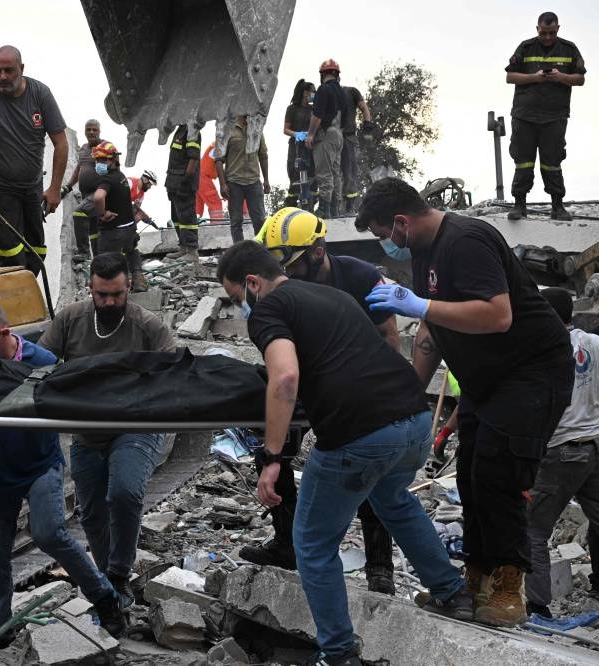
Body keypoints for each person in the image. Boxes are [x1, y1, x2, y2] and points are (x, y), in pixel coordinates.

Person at [217, 240, 469, 666]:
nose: (240, 307)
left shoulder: (269, 310)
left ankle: (337, 653)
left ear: (254, 283)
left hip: (360, 434)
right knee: (393, 499)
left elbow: (284, 379)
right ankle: (452, 591)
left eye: (237, 297)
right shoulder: (332, 294)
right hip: (414, 421)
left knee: (312, 543)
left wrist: (272, 457)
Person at [357, 177, 574, 627]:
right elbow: (430, 330)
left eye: (382, 233)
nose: (385, 244)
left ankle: (508, 587)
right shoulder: (423, 251)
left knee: (499, 474)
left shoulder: (466, 240)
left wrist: (420, 307)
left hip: (529, 374)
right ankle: (475, 582)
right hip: (485, 381)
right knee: (472, 477)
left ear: (401, 222)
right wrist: (407, 393)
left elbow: (497, 315)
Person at [240, 208, 399, 594]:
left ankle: (380, 567)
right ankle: (286, 544)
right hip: (305, 385)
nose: (285, 276)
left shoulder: (359, 277)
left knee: (368, 471)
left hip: (354, 389)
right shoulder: (274, 288)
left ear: (317, 251)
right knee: (272, 454)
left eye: (290, 265)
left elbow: (389, 338)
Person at [0, 301, 126, 643]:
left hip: (38, 464)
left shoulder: (41, 363)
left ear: (4, 333)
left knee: (48, 532)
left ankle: (105, 598)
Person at [37, 252, 175, 606]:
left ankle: (118, 572)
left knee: (124, 493)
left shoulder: (147, 326)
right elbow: (40, 366)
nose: (110, 302)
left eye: (117, 294)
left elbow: (175, 372)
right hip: (87, 431)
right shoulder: (70, 320)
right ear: (90, 289)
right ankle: (107, 583)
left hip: (135, 427)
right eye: (102, 295)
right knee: (93, 511)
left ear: (129, 287)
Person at [0, 45, 69, 275]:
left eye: (9, 71)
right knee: (11, 252)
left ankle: (26, 300)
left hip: (31, 188)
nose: (2, 77)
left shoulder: (41, 94)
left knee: (36, 250)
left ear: (22, 69)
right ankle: (12, 302)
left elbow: (61, 143)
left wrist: (55, 188)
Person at [525, 288, 599, 619]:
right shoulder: (594, 343)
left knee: (534, 531)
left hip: (560, 451)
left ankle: (538, 606)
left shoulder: (542, 348)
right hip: (594, 445)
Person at [504, 11, 586, 222]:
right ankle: (519, 205)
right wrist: (534, 77)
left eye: (551, 32)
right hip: (524, 115)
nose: (547, 37)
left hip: (554, 116)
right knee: (523, 161)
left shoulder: (569, 49)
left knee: (553, 162)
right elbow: (509, 77)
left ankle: (557, 206)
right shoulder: (526, 47)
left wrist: (561, 77)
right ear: (537, 29)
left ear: (558, 29)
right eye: (543, 33)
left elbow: (580, 79)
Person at [91, 141, 147, 292]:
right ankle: (138, 280)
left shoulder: (107, 180)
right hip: (129, 228)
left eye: (103, 160)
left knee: (107, 262)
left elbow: (98, 197)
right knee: (131, 251)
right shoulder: (120, 176)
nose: (99, 164)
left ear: (114, 159)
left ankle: (114, 290)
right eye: (97, 160)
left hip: (113, 232)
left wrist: (102, 213)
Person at [215, 116, 270, 244]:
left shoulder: (256, 128)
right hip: (234, 183)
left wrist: (266, 180)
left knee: (260, 220)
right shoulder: (225, 129)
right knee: (236, 221)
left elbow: (263, 155)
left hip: (254, 182)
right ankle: (239, 252)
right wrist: (222, 184)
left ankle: (263, 251)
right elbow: (218, 160)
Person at [306, 60, 349, 219]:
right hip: (339, 135)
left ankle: (324, 209)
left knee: (324, 172)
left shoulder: (323, 90)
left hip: (325, 135)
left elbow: (318, 115)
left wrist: (310, 134)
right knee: (335, 172)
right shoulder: (342, 94)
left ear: (322, 74)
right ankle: (335, 208)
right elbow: (345, 119)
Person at [163, 124, 201, 263]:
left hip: (184, 184)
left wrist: (185, 180)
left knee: (187, 217)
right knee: (177, 217)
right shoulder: (179, 130)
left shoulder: (192, 130)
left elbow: (193, 158)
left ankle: (192, 250)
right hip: (174, 182)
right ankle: (183, 248)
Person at [67, 119, 103, 260]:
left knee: (79, 213)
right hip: (86, 194)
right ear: (85, 131)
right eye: (88, 129)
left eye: (94, 129)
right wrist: (68, 186)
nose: (91, 132)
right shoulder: (83, 149)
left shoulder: (105, 146)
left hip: (100, 192)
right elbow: (78, 170)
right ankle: (98, 259)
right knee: (94, 230)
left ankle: (83, 252)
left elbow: (115, 167)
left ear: (99, 131)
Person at [339, 82, 373, 214]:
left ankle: (350, 207)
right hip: (330, 139)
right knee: (331, 174)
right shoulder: (326, 92)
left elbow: (364, 109)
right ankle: (332, 206)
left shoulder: (351, 91)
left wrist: (367, 126)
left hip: (348, 137)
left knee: (350, 172)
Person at [283, 79, 316, 210]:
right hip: (296, 147)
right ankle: (291, 207)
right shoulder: (292, 109)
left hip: (310, 146)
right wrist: (297, 134)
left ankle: (310, 208)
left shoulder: (313, 109)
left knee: (312, 179)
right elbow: (285, 129)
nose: (315, 94)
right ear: (305, 93)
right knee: (295, 178)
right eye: (313, 91)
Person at [196, 143, 224, 222]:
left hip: (197, 177)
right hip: (204, 178)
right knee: (215, 203)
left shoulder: (216, 145)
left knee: (198, 207)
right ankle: (217, 225)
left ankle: (192, 225)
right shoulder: (221, 146)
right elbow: (221, 168)